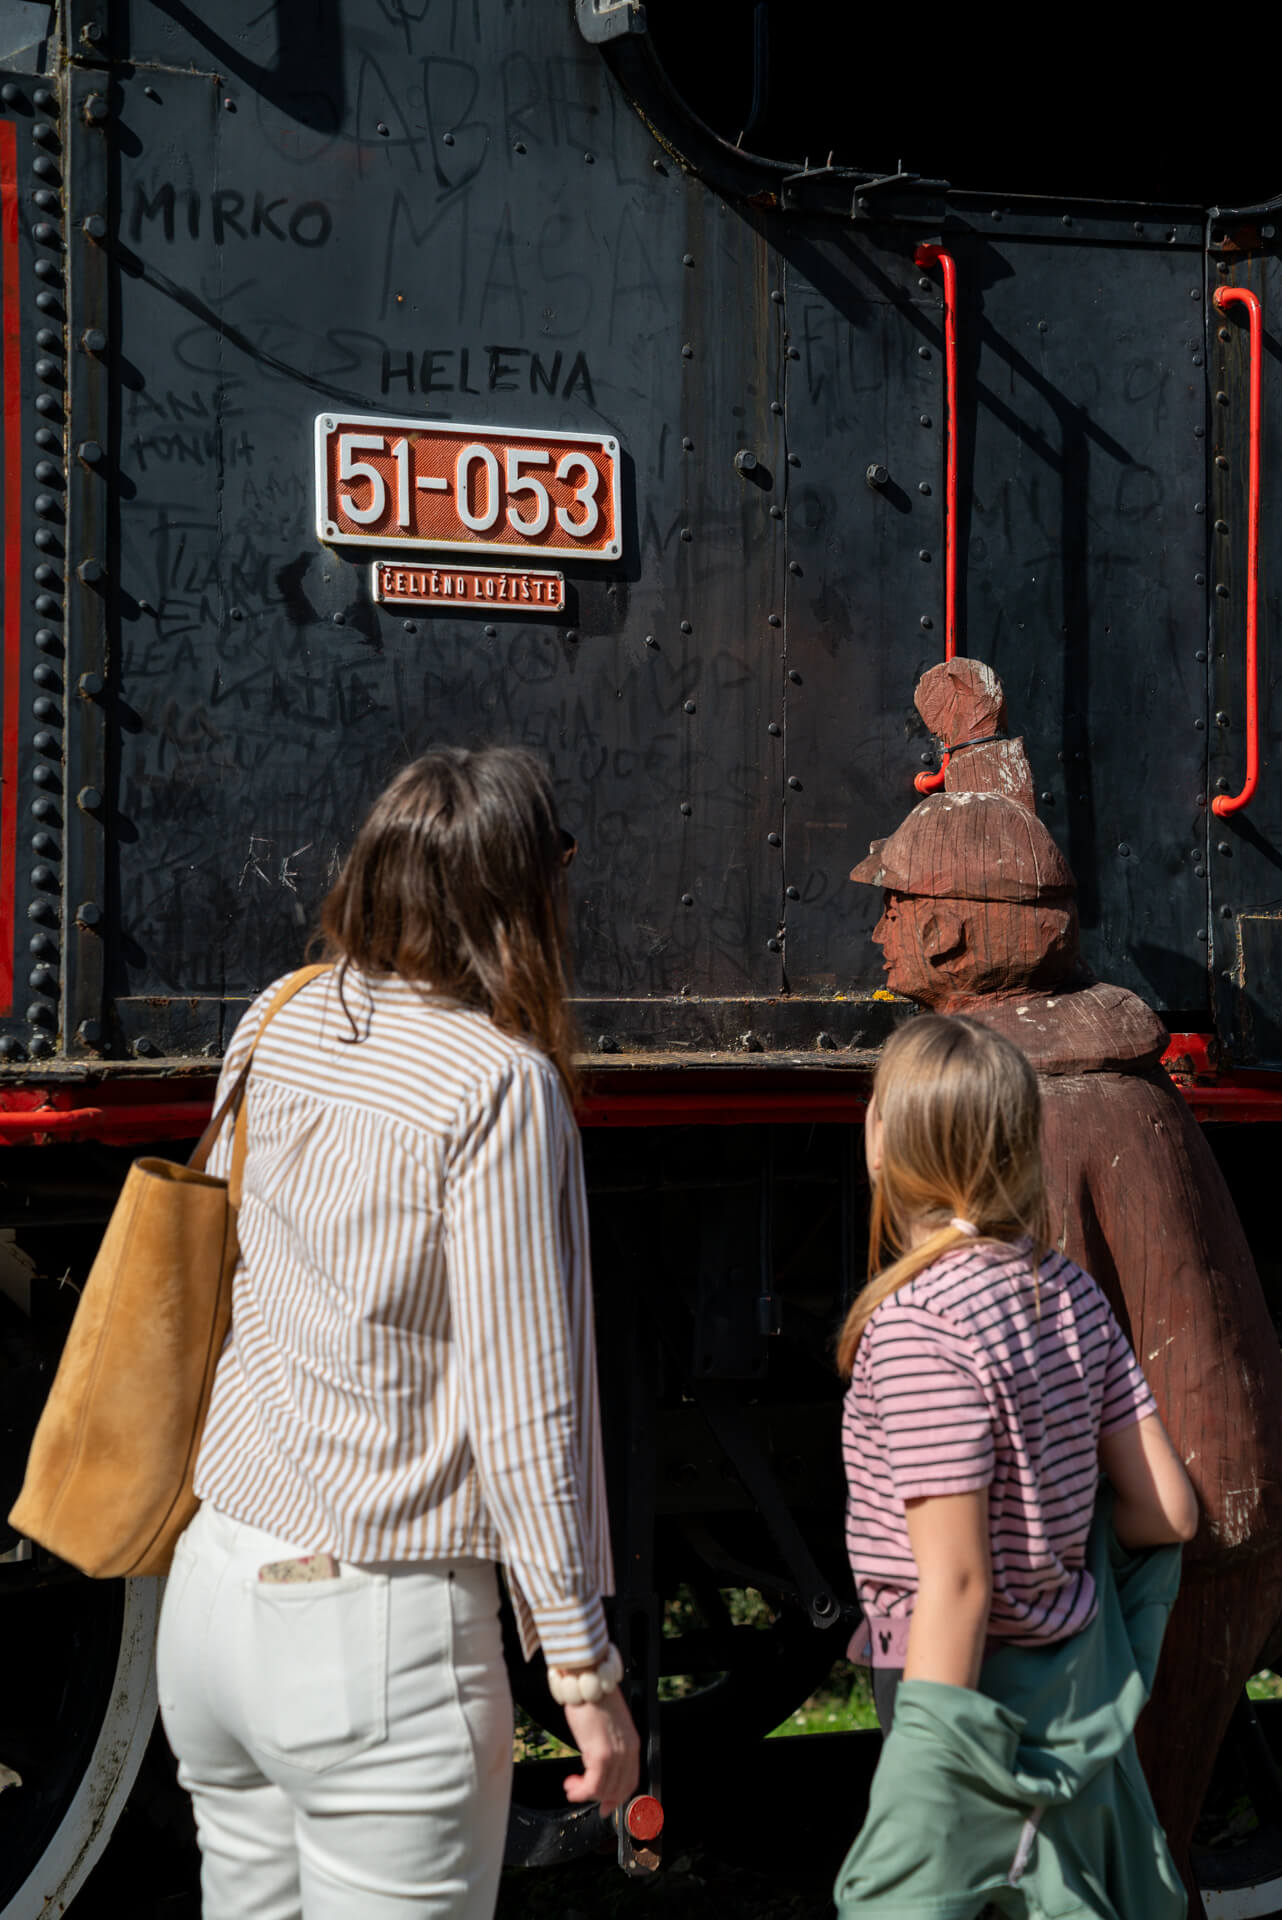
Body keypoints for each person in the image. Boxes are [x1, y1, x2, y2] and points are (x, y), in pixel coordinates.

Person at [155, 746, 639, 1920]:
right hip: (369, 1631)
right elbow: (523, 1409)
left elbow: (226, 1270)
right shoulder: (497, 1086)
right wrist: (583, 1671)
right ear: (519, 898)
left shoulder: (279, 1014)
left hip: (212, 1593)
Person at [835, 1013, 1197, 1918]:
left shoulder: (917, 1326)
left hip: (953, 1684)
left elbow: (958, 1583)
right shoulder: (1067, 1291)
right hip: (1067, 1683)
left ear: (884, 1140)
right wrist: (1056, 1544)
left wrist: (926, 1780)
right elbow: (1168, 1511)